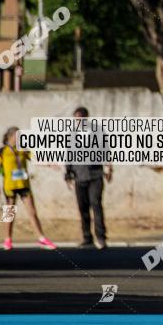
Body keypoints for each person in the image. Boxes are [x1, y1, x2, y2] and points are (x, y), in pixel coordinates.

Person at [0, 126, 57, 251]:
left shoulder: (23, 149)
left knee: (32, 212)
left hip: (24, 185)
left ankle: (41, 238)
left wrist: (49, 164)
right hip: (10, 186)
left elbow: (35, 159)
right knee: (9, 213)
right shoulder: (2, 151)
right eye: (17, 136)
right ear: (10, 137)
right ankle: (8, 239)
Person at [65, 106, 113, 249]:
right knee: (83, 207)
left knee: (96, 204)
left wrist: (109, 168)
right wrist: (68, 174)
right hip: (79, 176)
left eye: (81, 119)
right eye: (76, 120)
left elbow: (106, 151)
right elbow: (69, 155)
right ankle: (87, 237)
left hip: (95, 175)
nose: (78, 122)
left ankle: (101, 237)